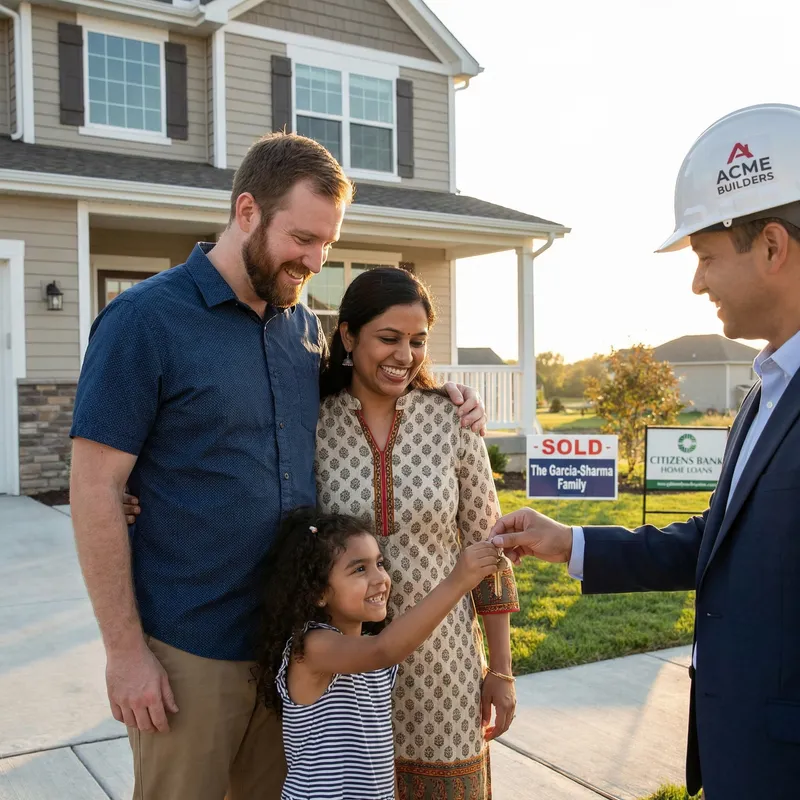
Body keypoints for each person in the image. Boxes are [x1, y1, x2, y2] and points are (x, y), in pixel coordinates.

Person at [70, 132, 486, 800]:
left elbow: (371, 387)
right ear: (246, 212)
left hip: (293, 650)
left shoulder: (302, 333)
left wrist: (445, 396)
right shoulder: (145, 321)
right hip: (191, 649)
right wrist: (124, 653)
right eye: (301, 239)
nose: (314, 260)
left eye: (327, 243)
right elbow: (94, 486)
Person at [490, 103, 800, 800]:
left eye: (707, 257)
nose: (698, 283)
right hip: (741, 759)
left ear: (772, 247)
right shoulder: (765, 392)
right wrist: (567, 541)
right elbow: (715, 545)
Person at [316, 266, 519, 800]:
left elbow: (492, 553)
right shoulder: (312, 423)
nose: (405, 355)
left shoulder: (453, 422)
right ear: (348, 335)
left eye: (417, 341)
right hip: (346, 673)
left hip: (444, 667)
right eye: (389, 338)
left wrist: (499, 672)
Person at [257, 507, 507, 800]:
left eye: (380, 563)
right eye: (359, 569)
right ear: (318, 592)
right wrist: (458, 581)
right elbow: (384, 649)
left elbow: (376, 755)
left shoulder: (370, 656)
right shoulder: (312, 648)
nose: (380, 578)